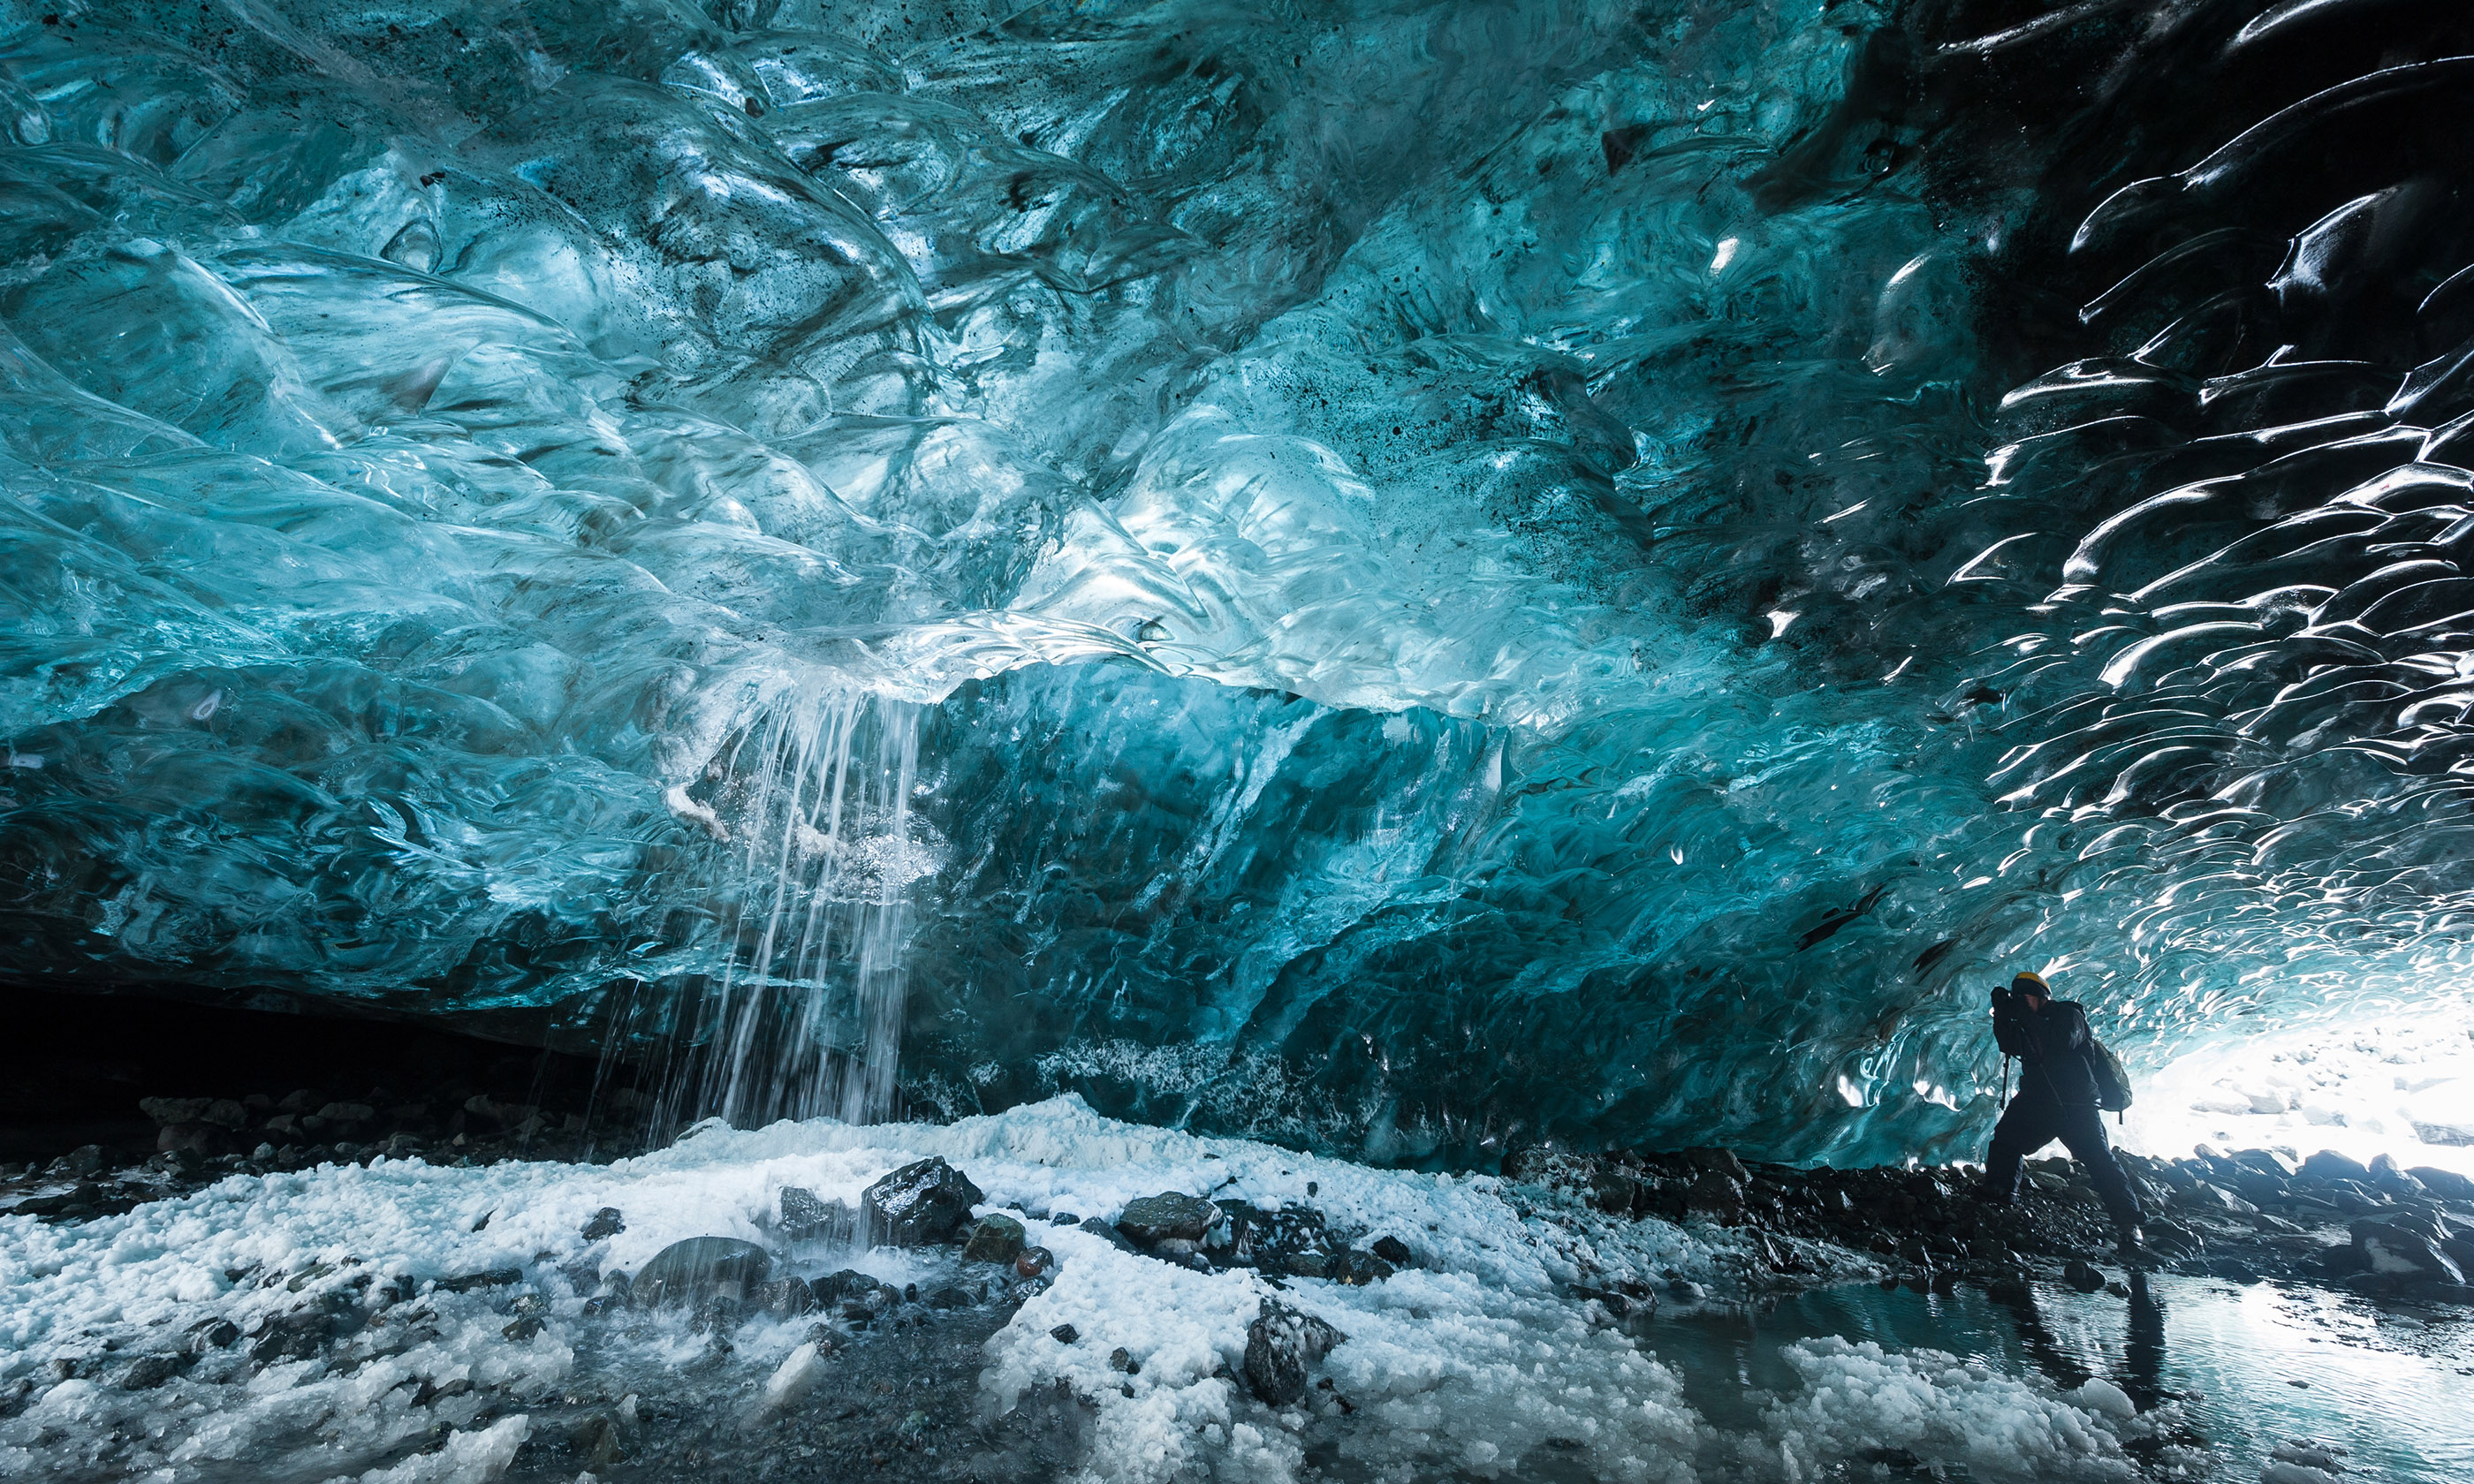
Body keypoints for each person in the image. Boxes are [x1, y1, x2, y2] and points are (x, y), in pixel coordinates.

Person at [1977, 970, 2146, 1255]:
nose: (2021, 1001)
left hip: (2076, 1106)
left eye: (2025, 997)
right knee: (2005, 1140)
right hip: (2037, 1100)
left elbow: (2058, 1043)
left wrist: (2026, 1017)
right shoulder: (2024, 1020)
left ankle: (2129, 1224)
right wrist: (2003, 1015)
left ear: (2042, 997)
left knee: (2099, 1160)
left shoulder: (2069, 1016)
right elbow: (2008, 1045)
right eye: (2016, 997)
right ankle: (2001, 1196)